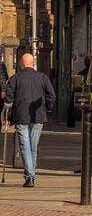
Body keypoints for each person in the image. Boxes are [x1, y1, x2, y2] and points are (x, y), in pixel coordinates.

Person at [5, 52, 55, 187]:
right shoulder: (43, 78)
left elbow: (9, 98)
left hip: (21, 116)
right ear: (33, 64)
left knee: (25, 146)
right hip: (38, 116)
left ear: (22, 64)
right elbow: (52, 95)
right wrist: (47, 109)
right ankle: (31, 175)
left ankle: (30, 176)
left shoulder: (15, 78)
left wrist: (7, 107)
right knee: (33, 146)